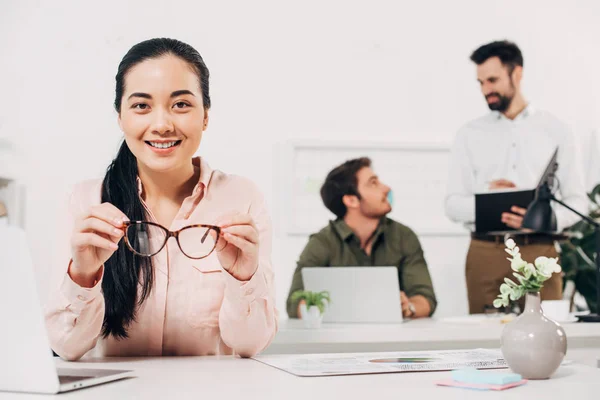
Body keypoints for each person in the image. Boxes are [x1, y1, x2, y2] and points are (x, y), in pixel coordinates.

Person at [45, 38, 277, 360]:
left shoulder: (241, 198)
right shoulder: (86, 202)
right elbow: (66, 347)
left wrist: (243, 276)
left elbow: (250, 345)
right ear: (120, 117)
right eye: (141, 106)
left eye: (180, 105)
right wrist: (83, 274)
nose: (162, 125)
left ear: (205, 116)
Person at [444, 40, 588, 314]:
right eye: (481, 83)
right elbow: (452, 204)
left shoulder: (558, 130)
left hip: (539, 250)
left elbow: (578, 201)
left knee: (545, 340)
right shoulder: (468, 134)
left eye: (493, 80)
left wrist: (539, 217)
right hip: (485, 251)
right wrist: (491, 198)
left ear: (517, 74)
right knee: (482, 345)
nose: (486, 90)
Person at [286, 157, 437, 319]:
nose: (386, 188)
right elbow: (295, 303)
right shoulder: (322, 242)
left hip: (392, 338)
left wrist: (409, 307)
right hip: (338, 340)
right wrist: (342, 310)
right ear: (351, 200)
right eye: (373, 183)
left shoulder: (404, 236)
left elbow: (426, 298)